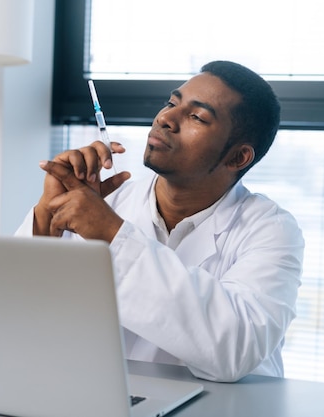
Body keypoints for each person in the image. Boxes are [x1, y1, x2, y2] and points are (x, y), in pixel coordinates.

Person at [16, 60, 304, 382]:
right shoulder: (102, 201)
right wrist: (46, 217)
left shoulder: (271, 230)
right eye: (171, 103)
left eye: (196, 116)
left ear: (237, 157)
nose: (165, 118)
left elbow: (233, 348)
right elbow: (14, 312)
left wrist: (111, 233)